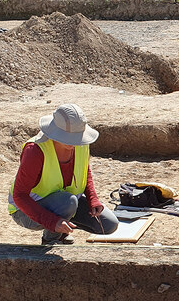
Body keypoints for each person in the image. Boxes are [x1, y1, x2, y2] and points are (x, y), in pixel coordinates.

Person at [8, 104, 118, 245]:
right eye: (69, 138)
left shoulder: (81, 142)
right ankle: (51, 239)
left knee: (110, 224)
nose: (74, 143)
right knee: (68, 202)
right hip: (25, 210)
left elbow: (84, 170)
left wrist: (92, 198)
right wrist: (52, 222)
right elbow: (19, 196)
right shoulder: (35, 151)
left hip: (66, 202)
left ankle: (61, 226)